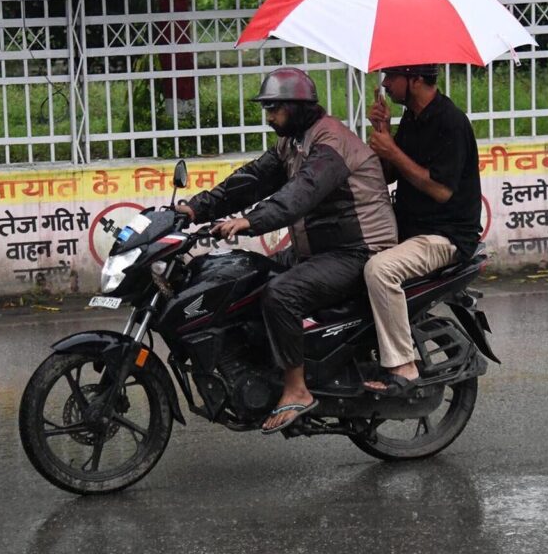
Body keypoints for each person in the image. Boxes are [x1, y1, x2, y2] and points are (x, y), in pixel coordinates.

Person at [177, 67, 397, 433]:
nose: (269, 117)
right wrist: (196, 208)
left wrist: (251, 221)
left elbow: (302, 193)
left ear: (296, 107)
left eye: (274, 109)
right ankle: (266, 368)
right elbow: (252, 180)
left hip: (358, 250)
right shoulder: (293, 141)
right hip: (320, 249)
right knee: (248, 276)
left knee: (281, 294)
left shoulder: (330, 143)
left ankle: (297, 389)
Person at [362, 63, 482, 396]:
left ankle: (404, 366)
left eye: (391, 77)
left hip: (444, 236)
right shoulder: (413, 118)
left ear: (415, 80)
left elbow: (440, 190)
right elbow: (390, 175)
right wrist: (383, 131)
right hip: (409, 229)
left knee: (380, 270)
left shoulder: (451, 122)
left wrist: (393, 151)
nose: (385, 84)